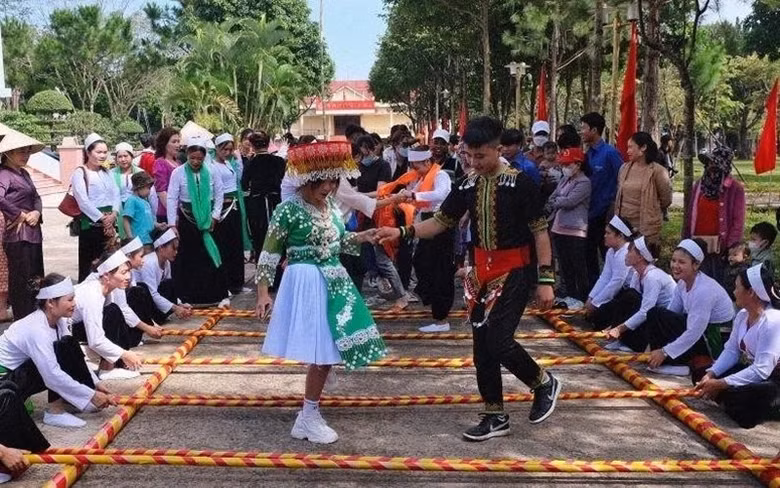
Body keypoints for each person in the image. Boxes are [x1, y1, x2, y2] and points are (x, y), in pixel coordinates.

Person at [376, 116, 561, 442]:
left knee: (499, 340)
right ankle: (494, 415)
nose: (474, 162)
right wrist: (402, 232)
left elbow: (540, 233)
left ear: (498, 149)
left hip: (514, 271)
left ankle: (543, 382)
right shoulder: (466, 183)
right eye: (469, 156)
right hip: (479, 274)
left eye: (480, 156)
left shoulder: (521, 184)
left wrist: (546, 280)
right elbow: (440, 222)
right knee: (481, 348)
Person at [255, 141, 386, 444]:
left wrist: (363, 237)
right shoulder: (287, 210)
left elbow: (338, 242)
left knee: (327, 353)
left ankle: (309, 414)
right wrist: (263, 293)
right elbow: (269, 253)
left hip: (334, 282)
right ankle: (308, 416)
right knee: (322, 353)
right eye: (322, 181)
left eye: (333, 180)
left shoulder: (331, 208)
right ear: (306, 179)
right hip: (308, 284)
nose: (328, 187)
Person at [0, 274, 115, 461]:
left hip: (18, 374)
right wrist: (90, 395)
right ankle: (55, 411)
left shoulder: (59, 321)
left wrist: (94, 383)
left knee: (67, 345)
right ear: (50, 303)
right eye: (69, 300)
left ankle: (71, 402)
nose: (74, 304)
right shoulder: (36, 329)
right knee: (57, 355)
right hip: (5, 381)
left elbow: (72, 357)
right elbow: (51, 375)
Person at [696, 263, 780, 428]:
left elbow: (762, 370)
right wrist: (712, 374)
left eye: (737, 287)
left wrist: (721, 383)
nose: (734, 292)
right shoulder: (742, 316)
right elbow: (732, 351)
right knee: (700, 374)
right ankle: (726, 396)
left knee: (742, 400)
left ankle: (729, 398)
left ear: (751, 292)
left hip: (775, 380)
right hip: (761, 376)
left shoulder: (773, 321)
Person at [637, 239, 734, 378]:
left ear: (696, 265)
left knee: (658, 314)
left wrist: (664, 352)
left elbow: (694, 331)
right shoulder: (682, 283)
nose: (675, 266)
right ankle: (660, 360)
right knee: (655, 313)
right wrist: (654, 347)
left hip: (712, 338)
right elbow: (669, 314)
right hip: (700, 331)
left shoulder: (703, 290)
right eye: (673, 260)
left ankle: (678, 364)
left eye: (681, 262)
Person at [395, 147, 454, 332]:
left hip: (440, 224)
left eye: (417, 166)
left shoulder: (441, 175)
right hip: (427, 223)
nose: (415, 171)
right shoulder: (423, 178)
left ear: (427, 162)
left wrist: (413, 195)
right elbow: (413, 194)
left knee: (440, 270)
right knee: (421, 262)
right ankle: (431, 300)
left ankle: (441, 319)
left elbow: (441, 194)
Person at [167, 137, 228, 307]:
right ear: (186, 155)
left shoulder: (212, 170)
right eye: (192, 158)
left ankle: (216, 295)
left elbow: (219, 193)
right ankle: (188, 296)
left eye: (199, 159)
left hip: (209, 220)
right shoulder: (178, 173)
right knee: (189, 257)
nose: (195, 162)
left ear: (204, 157)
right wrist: (172, 224)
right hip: (188, 220)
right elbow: (172, 198)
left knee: (211, 254)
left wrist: (215, 216)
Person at [70, 250, 144, 380]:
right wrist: (124, 354)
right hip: (68, 334)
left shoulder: (106, 291)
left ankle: (116, 365)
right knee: (112, 312)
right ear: (106, 275)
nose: (128, 277)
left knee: (114, 310)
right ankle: (107, 369)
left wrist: (124, 353)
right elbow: (95, 340)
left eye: (128, 271)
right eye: (123, 272)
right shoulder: (93, 294)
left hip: (79, 328)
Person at [602, 236, 677, 351]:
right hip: (653, 315)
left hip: (665, 321)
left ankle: (635, 344)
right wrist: (614, 326)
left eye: (629, 251)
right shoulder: (637, 274)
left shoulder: (652, 277)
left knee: (632, 298)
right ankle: (623, 340)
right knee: (628, 296)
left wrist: (619, 329)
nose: (626, 254)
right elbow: (630, 305)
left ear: (640, 257)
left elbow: (645, 311)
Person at [0, 128, 45, 320]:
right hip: (17, 235)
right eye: (21, 151)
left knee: (35, 278)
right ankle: (23, 320)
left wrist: (36, 212)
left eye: (27, 151)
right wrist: (18, 214)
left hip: (33, 232)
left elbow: (36, 197)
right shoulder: (4, 174)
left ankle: (35, 318)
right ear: (8, 153)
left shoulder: (24, 174)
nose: (25, 155)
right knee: (21, 280)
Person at [683, 146, 745, 283]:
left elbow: (738, 221)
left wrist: (731, 245)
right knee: (697, 281)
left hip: (720, 248)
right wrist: (686, 238)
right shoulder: (699, 185)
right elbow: (691, 213)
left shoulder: (735, 188)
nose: (711, 167)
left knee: (717, 281)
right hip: (697, 243)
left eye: (715, 163)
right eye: (709, 162)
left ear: (724, 167)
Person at [580, 112, 623, 287]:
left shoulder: (610, 153)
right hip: (587, 214)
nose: (581, 132)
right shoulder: (587, 154)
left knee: (608, 255)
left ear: (594, 130)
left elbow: (622, 180)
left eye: (584, 128)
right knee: (588, 255)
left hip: (605, 215)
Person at [72, 133, 121, 282]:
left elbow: (116, 194)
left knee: (109, 263)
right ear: (88, 152)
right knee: (90, 264)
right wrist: (102, 218)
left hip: (109, 225)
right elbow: (83, 200)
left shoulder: (107, 172)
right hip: (91, 225)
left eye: (105, 152)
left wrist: (114, 213)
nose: (103, 155)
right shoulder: (80, 173)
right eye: (98, 152)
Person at [547, 147, 591, 307]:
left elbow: (570, 201)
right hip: (559, 227)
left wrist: (557, 201)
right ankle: (570, 295)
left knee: (578, 265)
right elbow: (554, 196)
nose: (564, 168)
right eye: (563, 165)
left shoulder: (584, 182)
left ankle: (582, 297)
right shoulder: (565, 180)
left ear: (578, 165)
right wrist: (557, 200)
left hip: (575, 229)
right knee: (565, 265)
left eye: (568, 164)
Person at [210, 133, 251, 295]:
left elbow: (238, 178)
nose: (227, 152)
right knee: (225, 245)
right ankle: (225, 283)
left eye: (230, 149)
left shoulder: (228, 163)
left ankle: (237, 282)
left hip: (234, 205)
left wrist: (238, 159)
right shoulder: (212, 165)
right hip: (223, 208)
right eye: (224, 149)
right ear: (217, 149)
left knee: (236, 245)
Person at [615, 132, 672, 244]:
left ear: (643, 148)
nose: (628, 151)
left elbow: (666, 200)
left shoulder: (658, 172)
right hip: (622, 228)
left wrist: (651, 209)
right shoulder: (624, 168)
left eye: (631, 147)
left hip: (646, 231)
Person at [133, 228, 193, 324]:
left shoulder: (167, 263)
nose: (176, 252)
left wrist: (180, 304)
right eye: (173, 248)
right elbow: (152, 293)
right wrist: (175, 308)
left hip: (153, 298)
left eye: (177, 249)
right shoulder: (149, 263)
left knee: (169, 284)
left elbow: (169, 290)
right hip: (142, 301)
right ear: (161, 247)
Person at [242, 131, 286, 261]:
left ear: (252, 145)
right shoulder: (279, 161)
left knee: (259, 235)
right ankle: (279, 264)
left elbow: (244, 185)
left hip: (257, 204)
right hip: (277, 202)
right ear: (268, 144)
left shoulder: (250, 163)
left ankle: (262, 264)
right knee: (279, 233)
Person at [585, 215, 635, 329]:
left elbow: (616, 282)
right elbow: (605, 277)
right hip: (621, 291)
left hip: (630, 294)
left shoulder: (625, 253)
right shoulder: (611, 252)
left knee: (600, 315)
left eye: (608, 233)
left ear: (620, 236)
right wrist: (591, 297)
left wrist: (596, 303)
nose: (605, 236)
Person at [112, 142, 158, 240]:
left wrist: (154, 218)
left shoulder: (141, 173)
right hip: (118, 212)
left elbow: (152, 196)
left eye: (126, 156)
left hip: (139, 211)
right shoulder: (111, 174)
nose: (123, 159)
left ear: (132, 156)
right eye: (120, 157)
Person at [152, 127, 182, 224]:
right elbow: (161, 191)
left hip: (182, 211)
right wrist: (172, 213)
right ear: (164, 144)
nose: (177, 145)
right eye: (174, 142)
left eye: (178, 141)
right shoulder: (160, 163)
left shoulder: (178, 163)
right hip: (167, 213)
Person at [122, 172, 160, 247]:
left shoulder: (146, 203)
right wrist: (130, 238)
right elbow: (126, 220)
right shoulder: (132, 200)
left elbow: (149, 220)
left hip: (149, 240)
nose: (149, 191)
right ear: (139, 187)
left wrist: (158, 225)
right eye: (148, 188)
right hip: (138, 242)